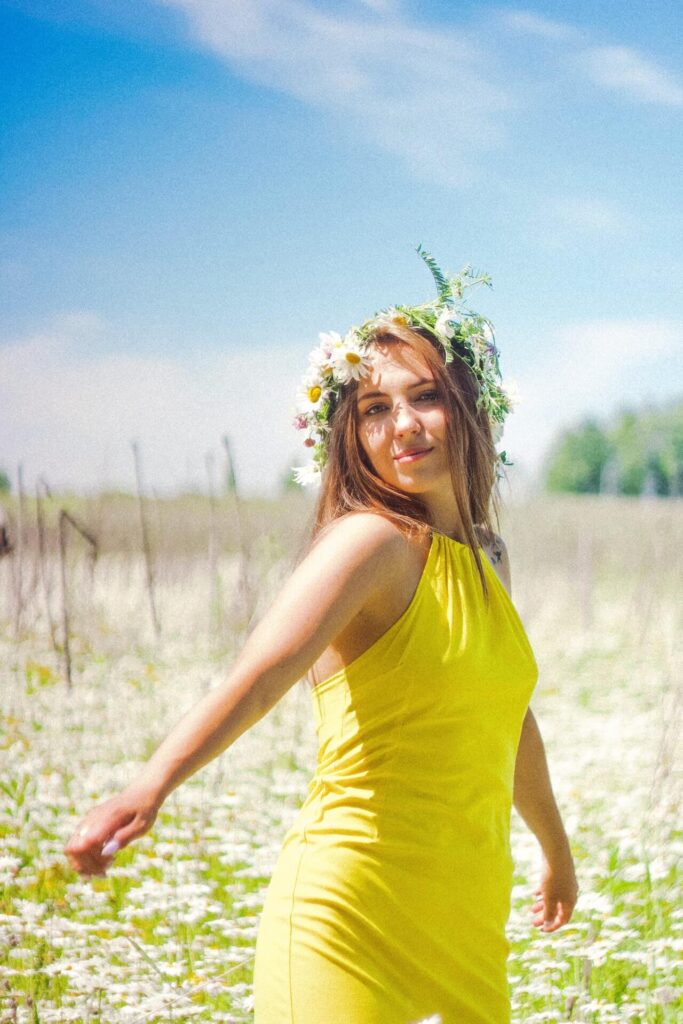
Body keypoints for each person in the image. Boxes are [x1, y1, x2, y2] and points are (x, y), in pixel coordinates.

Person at [65, 249, 578, 1024]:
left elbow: (507, 719)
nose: (401, 425)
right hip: (348, 916)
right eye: (373, 408)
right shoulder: (368, 544)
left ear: (472, 409)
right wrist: (151, 785)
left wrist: (555, 849)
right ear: (349, 433)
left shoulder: (488, 557)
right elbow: (261, 674)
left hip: (465, 924)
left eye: (425, 397)